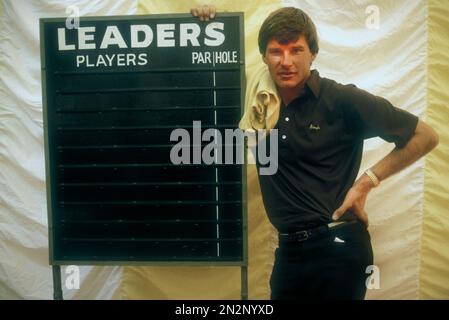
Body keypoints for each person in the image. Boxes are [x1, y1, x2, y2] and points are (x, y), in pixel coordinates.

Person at [192, 5, 439, 299]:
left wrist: (366, 183)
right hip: (288, 253)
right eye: (276, 51)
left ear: (313, 53)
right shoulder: (257, 103)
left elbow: (424, 136)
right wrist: (206, 21)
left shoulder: (341, 100)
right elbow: (204, 82)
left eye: (296, 50)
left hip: (338, 245)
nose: (286, 61)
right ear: (263, 57)